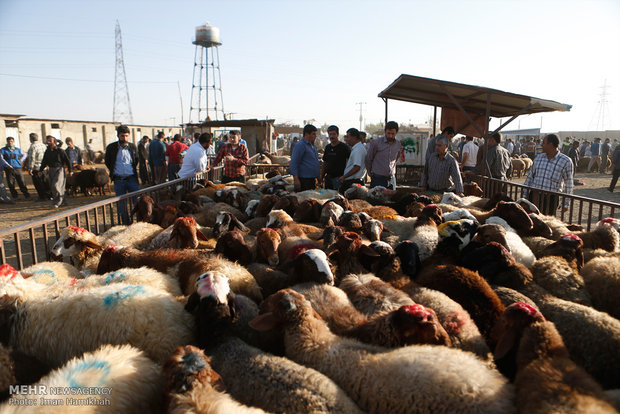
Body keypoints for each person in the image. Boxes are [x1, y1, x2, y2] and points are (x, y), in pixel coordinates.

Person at [522, 134, 573, 215]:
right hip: (534, 196)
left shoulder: (565, 161)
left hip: (551, 199)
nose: (541, 145)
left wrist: (565, 203)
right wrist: (524, 196)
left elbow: (568, 183)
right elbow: (530, 177)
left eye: (544, 143)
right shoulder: (538, 158)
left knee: (547, 223)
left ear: (551, 144)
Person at [104, 125, 139, 224]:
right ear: (118, 136)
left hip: (132, 179)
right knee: (122, 205)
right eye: (122, 136)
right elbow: (108, 162)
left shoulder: (132, 147)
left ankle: (140, 222)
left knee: (137, 203)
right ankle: (127, 224)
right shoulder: (111, 147)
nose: (125, 138)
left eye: (127, 136)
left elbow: (136, 160)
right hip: (119, 180)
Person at [365, 121, 402, 189]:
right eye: (388, 133)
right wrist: (370, 173)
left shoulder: (398, 144)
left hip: (391, 179)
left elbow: (396, 158)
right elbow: (368, 159)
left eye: (393, 134)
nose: (390, 136)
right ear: (385, 131)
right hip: (377, 178)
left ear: (396, 133)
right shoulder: (376, 143)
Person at [39, 135, 71, 208]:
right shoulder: (47, 151)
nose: (48, 142)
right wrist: (40, 170)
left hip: (60, 169)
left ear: (55, 142)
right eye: (48, 141)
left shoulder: (60, 151)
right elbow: (44, 161)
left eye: (50, 141)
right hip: (51, 169)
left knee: (56, 185)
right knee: (56, 187)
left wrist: (70, 170)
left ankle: (57, 202)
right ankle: (63, 201)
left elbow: (67, 161)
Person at [290, 124, 320, 191]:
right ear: (307, 134)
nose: (315, 136)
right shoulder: (300, 145)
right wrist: (296, 179)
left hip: (312, 179)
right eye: (313, 134)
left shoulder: (313, 146)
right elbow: (294, 162)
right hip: (304, 180)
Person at [320, 125, 350, 190]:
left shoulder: (344, 147)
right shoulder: (327, 147)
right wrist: (321, 177)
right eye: (330, 134)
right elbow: (324, 163)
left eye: (334, 134)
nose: (332, 136)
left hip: (339, 178)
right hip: (328, 178)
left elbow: (349, 162)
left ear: (337, 134)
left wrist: (345, 176)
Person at [338, 128, 367, 194]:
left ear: (354, 138)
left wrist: (344, 177)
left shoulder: (358, 149)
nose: (347, 139)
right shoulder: (358, 148)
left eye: (348, 137)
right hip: (353, 181)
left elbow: (357, 167)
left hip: (353, 182)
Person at [27, 133, 51, 201]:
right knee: (45, 182)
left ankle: (42, 197)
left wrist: (30, 168)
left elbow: (32, 158)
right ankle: (49, 195)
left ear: (31, 139)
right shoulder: (43, 145)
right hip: (44, 167)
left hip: (36, 167)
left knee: (38, 183)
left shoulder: (33, 147)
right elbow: (47, 156)